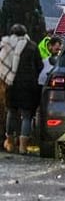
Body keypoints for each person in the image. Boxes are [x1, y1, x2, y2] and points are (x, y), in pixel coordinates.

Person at [0, 24, 43, 154]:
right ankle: (23, 147)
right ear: (25, 34)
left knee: (11, 112)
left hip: (10, 84)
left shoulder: (6, 45)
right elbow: (39, 65)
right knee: (26, 115)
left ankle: (10, 143)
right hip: (28, 86)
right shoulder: (32, 46)